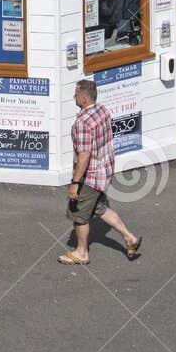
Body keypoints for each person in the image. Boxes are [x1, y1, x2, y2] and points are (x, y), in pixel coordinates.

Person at [60, 78, 142, 266]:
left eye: (76, 94)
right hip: (104, 171)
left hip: (89, 178)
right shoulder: (103, 111)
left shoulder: (82, 124)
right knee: (101, 209)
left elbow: (84, 156)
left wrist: (75, 183)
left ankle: (81, 253)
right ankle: (130, 238)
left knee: (79, 215)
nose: (74, 96)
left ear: (83, 99)